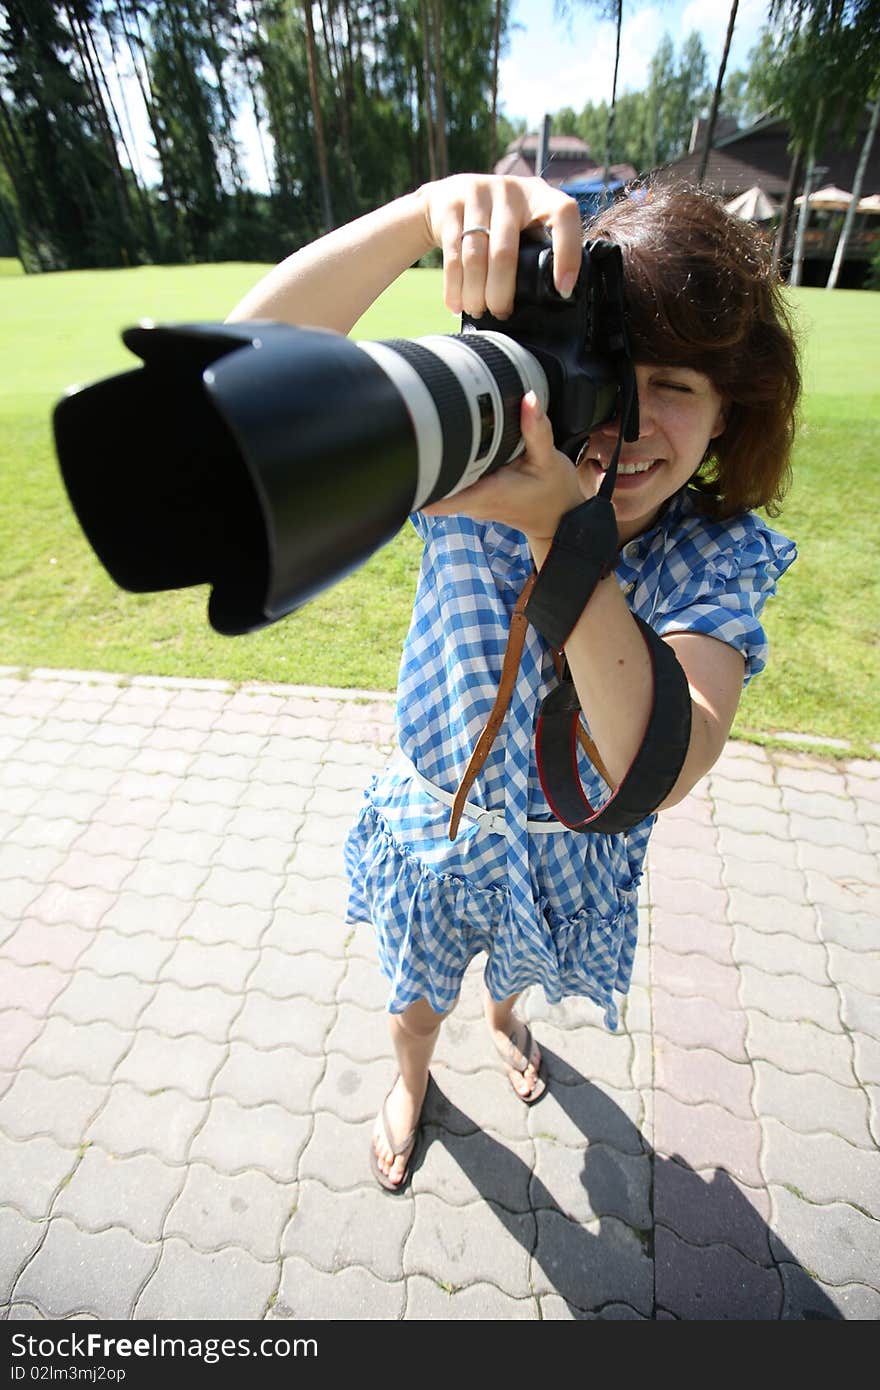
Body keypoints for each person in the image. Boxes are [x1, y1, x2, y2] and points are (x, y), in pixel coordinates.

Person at [228, 174, 800, 1192]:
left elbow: (666, 763)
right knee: (415, 1000)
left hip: (562, 853)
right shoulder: (475, 458)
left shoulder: (713, 552)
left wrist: (562, 536)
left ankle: (504, 1017)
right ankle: (411, 1083)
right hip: (434, 824)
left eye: (675, 386)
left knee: (513, 977)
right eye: (612, 369)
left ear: (728, 412)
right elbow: (239, 368)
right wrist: (419, 211)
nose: (627, 421)